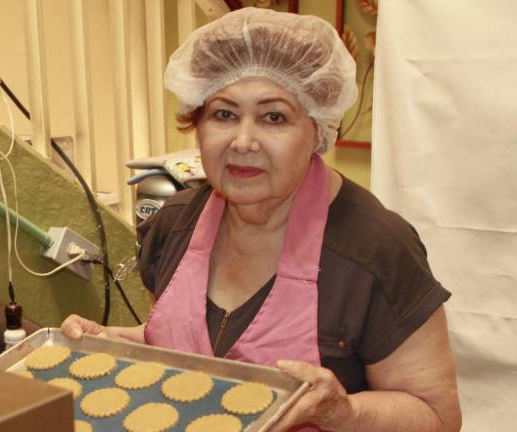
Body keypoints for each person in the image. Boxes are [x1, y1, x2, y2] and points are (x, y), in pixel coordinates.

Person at [62, 8, 461, 431]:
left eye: (274, 117)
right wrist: (112, 343)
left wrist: (345, 413)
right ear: (196, 124)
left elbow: (437, 417)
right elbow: (198, 345)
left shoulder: (374, 248)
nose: (243, 141)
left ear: (318, 130)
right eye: (224, 114)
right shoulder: (174, 224)